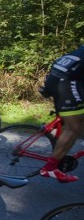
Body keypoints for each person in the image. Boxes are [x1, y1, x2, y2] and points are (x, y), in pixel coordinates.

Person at [38, 44, 84, 183]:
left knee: (77, 117)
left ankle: (53, 130)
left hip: (57, 78)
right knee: (74, 128)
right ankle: (50, 168)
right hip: (66, 82)